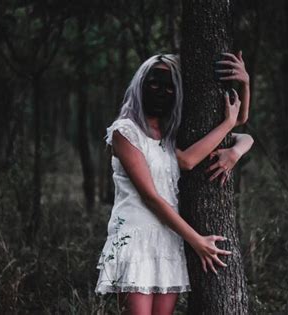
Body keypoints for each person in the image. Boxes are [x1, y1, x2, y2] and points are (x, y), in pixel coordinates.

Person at [95, 52, 254, 314]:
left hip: (168, 239)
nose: (160, 92)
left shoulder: (171, 136)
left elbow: (239, 127)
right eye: (154, 84)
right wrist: (197, 241)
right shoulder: (125, 131)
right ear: (141, 85)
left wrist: (244, 86)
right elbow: (151, 197)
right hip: (136, 239)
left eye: (169, 87)